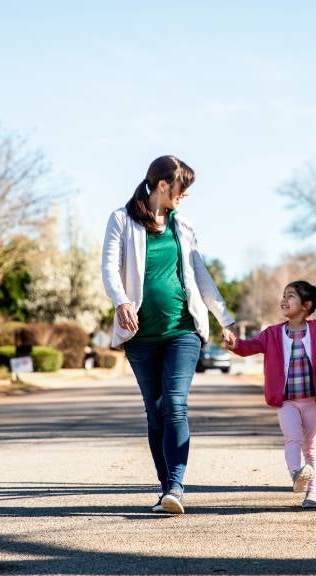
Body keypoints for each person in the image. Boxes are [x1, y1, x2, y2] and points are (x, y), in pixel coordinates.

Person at [102, 154, 236, 515]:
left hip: (182, 329)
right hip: (140, 336)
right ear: (164, 184)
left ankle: (176, 484)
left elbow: (200, 275)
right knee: (155, 411)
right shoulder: (122, 220)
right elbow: (110, 268)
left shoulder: (184, 227)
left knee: (174, 404)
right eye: (182, 188)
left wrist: (224, 317)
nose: (185, 195)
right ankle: (166, 491)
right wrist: (121, 302)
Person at [224, 280, 316, 508]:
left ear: (306, 305)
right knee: (292, 439)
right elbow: (250, 347)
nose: (284, 300)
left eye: (290, 296)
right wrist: (234, 344)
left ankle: (312, 494)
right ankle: (296, 474)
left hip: (312, 401)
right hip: (287, 401)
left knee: (312, 448)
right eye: (283, 295)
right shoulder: (272, 333)